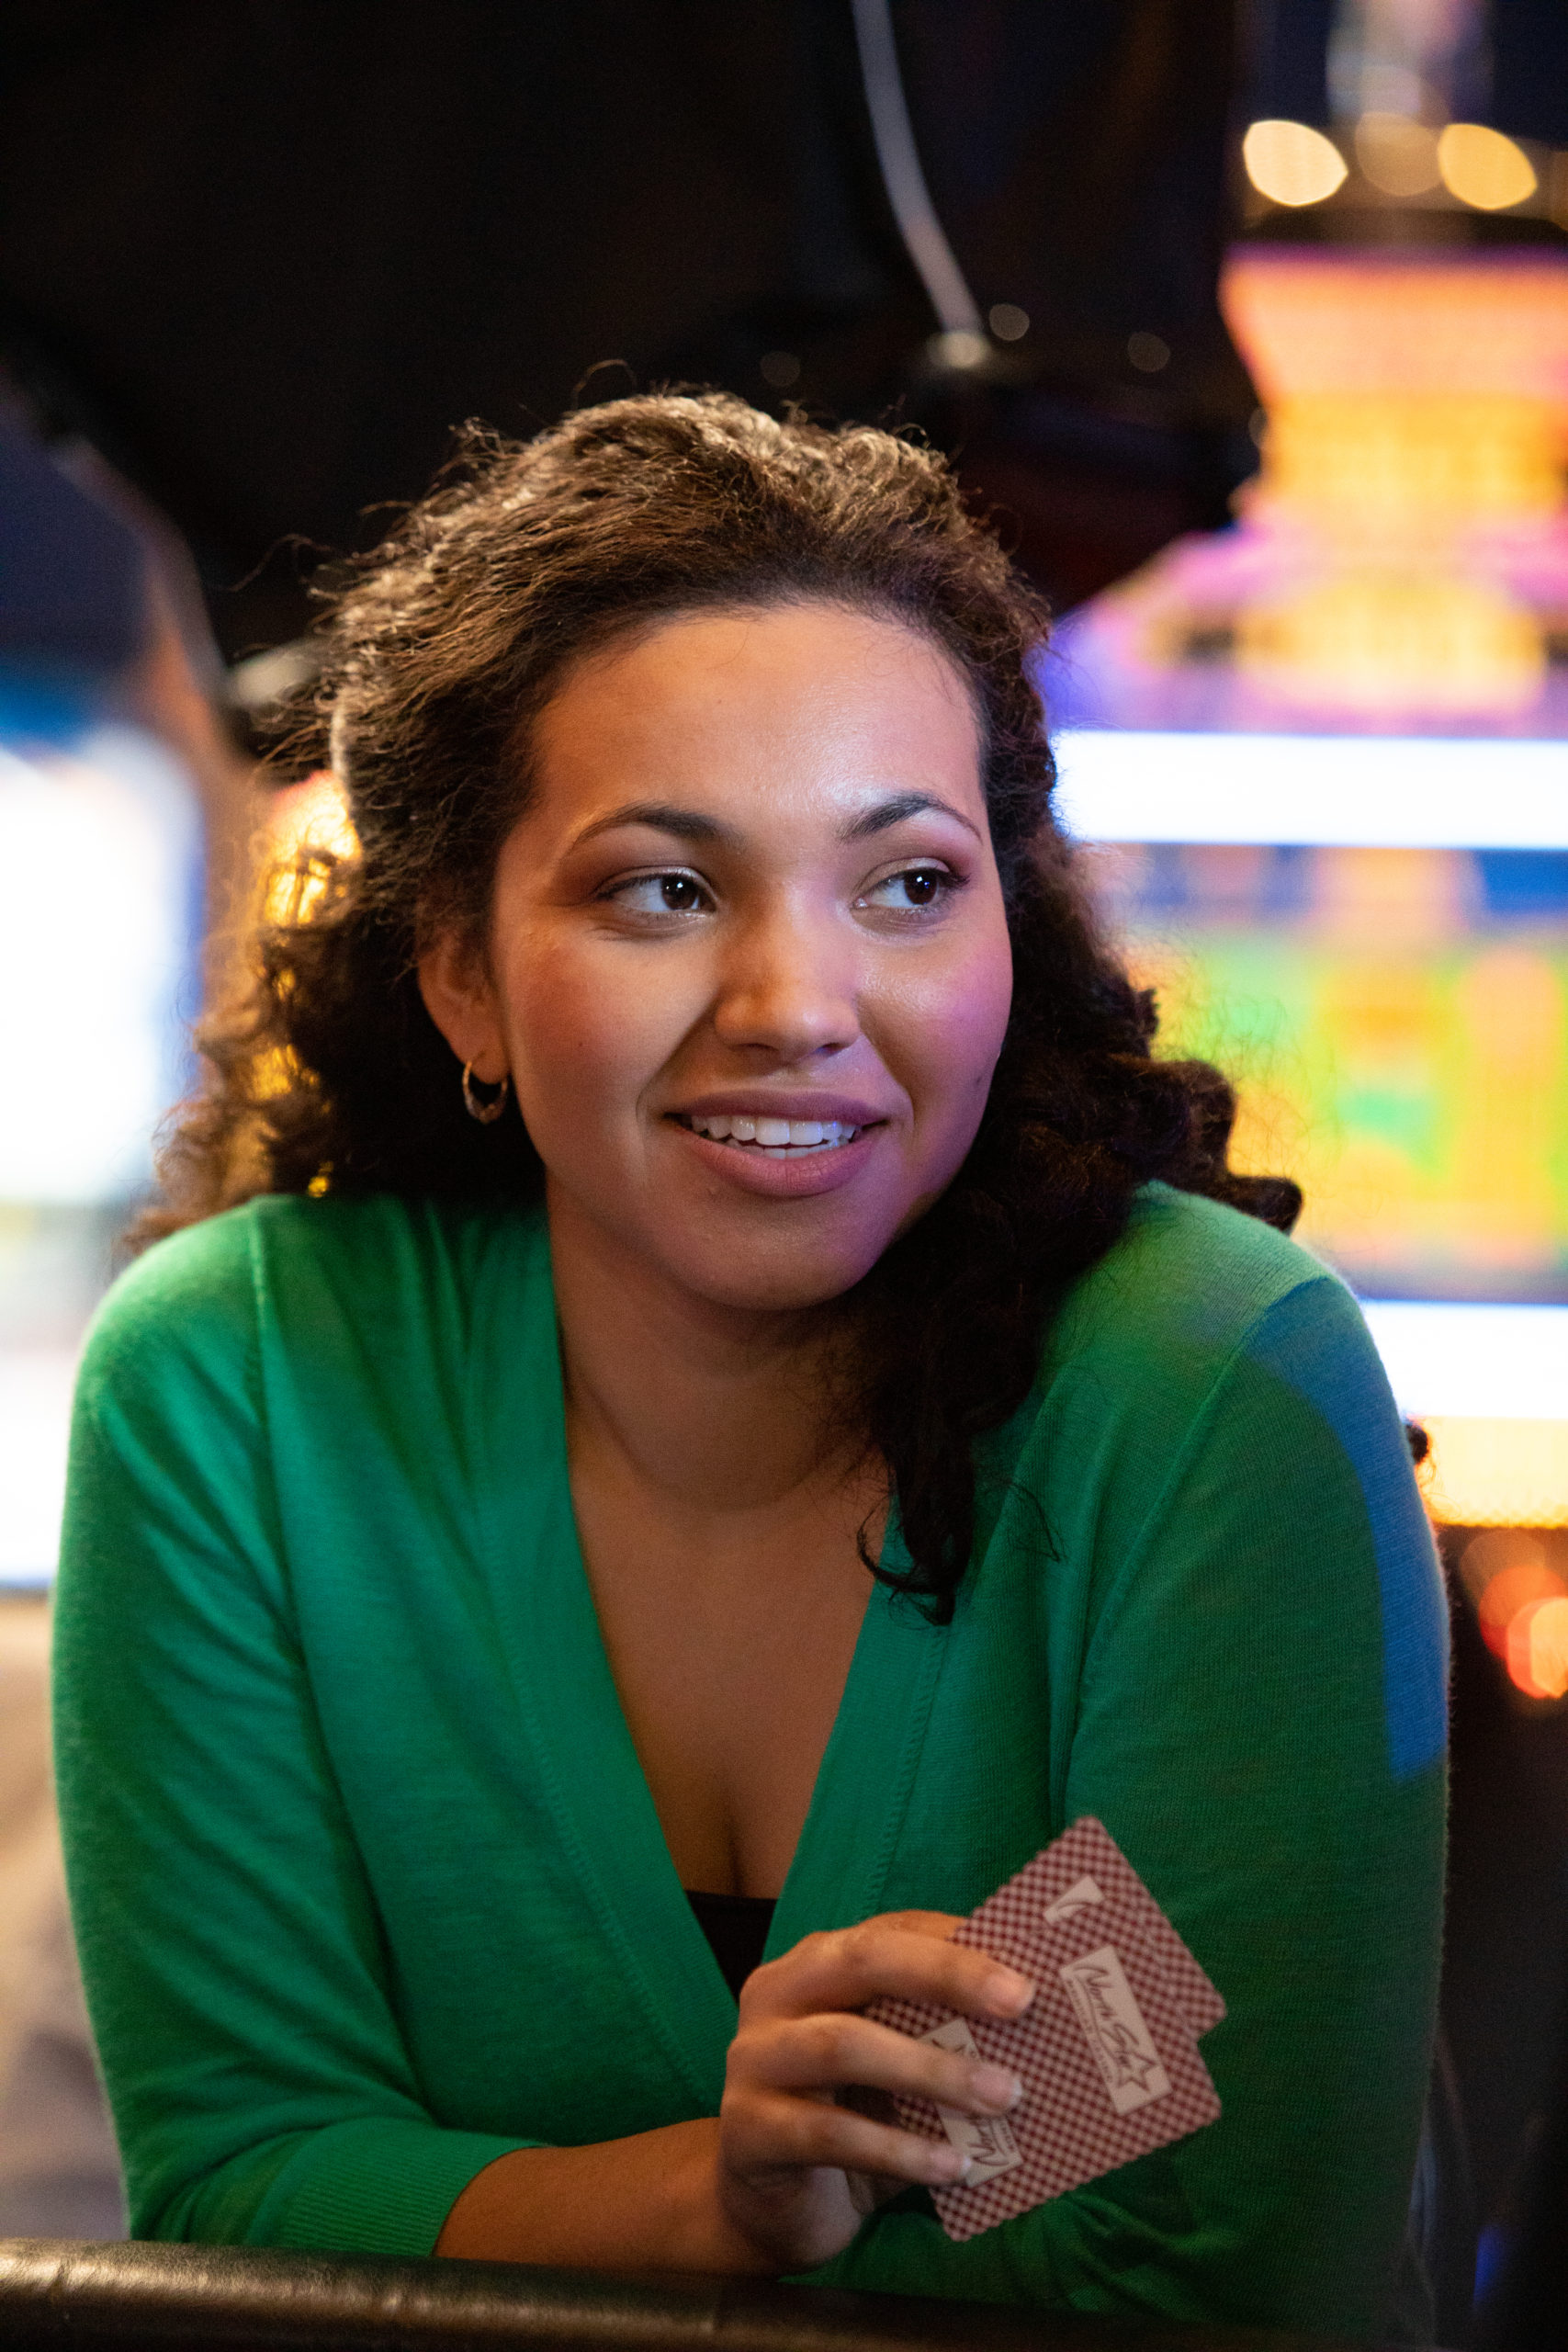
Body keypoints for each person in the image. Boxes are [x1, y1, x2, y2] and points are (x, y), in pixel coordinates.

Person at [53, 394, 1447, 2337]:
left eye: (902, 884)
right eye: (663, 888)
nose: (795, 1007)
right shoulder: (236, 1387)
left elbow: (1210, 2270)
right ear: (457, 961)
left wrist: (516, 2214)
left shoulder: (1207, 1383)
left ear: (1006, 930)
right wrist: (710, 2199)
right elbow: (244, 2191)